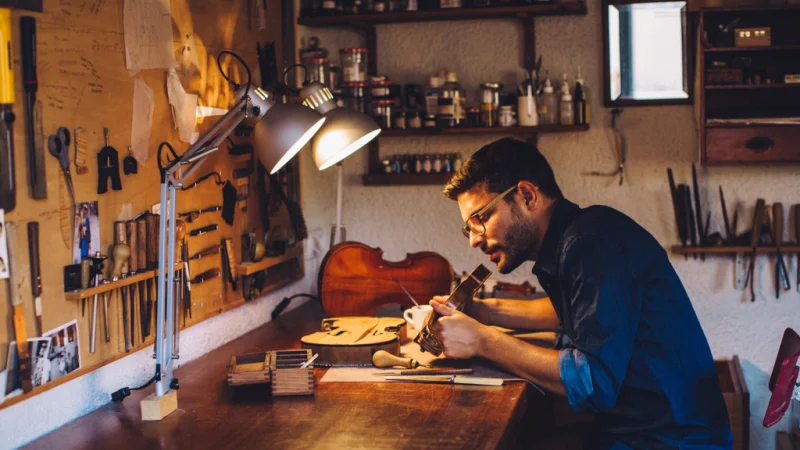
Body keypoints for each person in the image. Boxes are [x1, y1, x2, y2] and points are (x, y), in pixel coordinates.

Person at [431, 138, 732, 449]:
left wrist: (482, 340)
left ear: (526, 195)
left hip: (669, 439)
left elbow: (593, 383)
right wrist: (485, 312)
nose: (473, 241)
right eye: (468, 228)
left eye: (480, 219)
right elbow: (573, 313)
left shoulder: (591, 244)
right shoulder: (581, 232)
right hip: (642, 428)